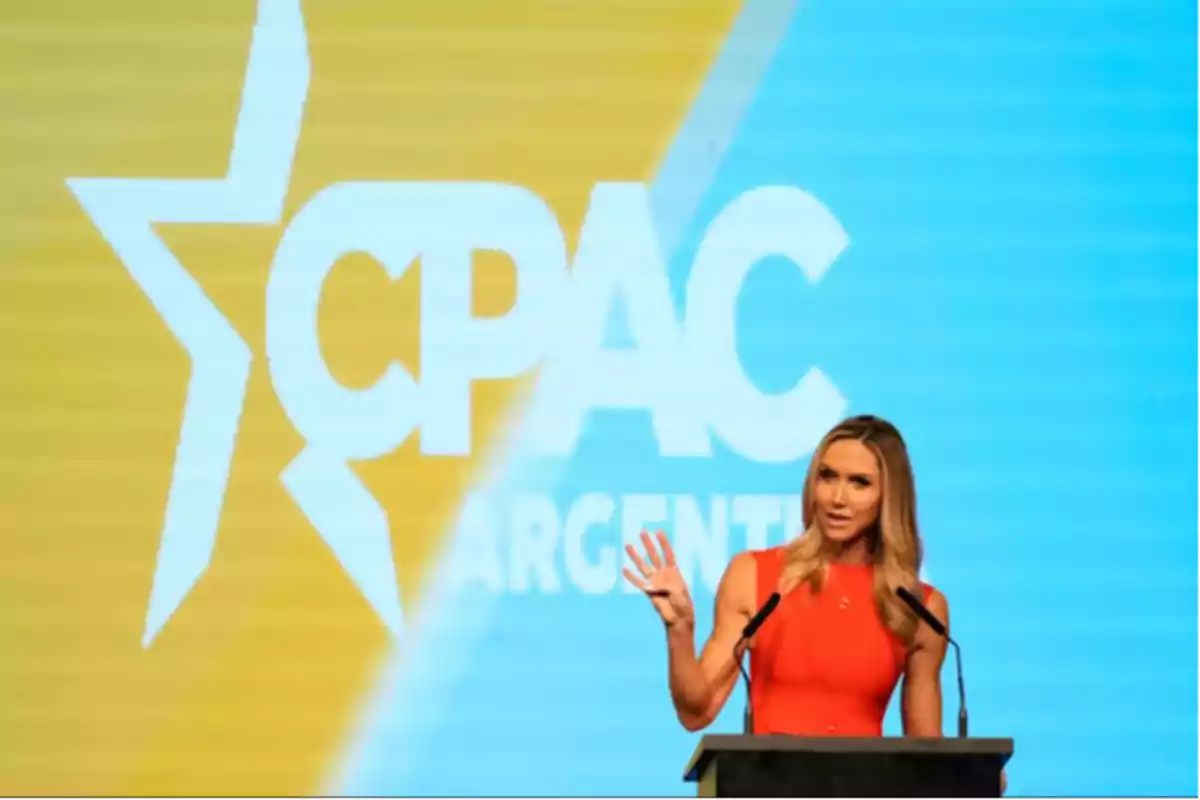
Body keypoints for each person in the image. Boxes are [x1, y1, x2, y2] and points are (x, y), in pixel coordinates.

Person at [623, 414, 949, 738]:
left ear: (889, 497)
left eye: (859, 482)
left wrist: (972, 773)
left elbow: (927, 754)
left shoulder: (921, 609)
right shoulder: (755, 577)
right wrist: (680, 631)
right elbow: (696, 711)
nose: (837, 498)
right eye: (827, 476)